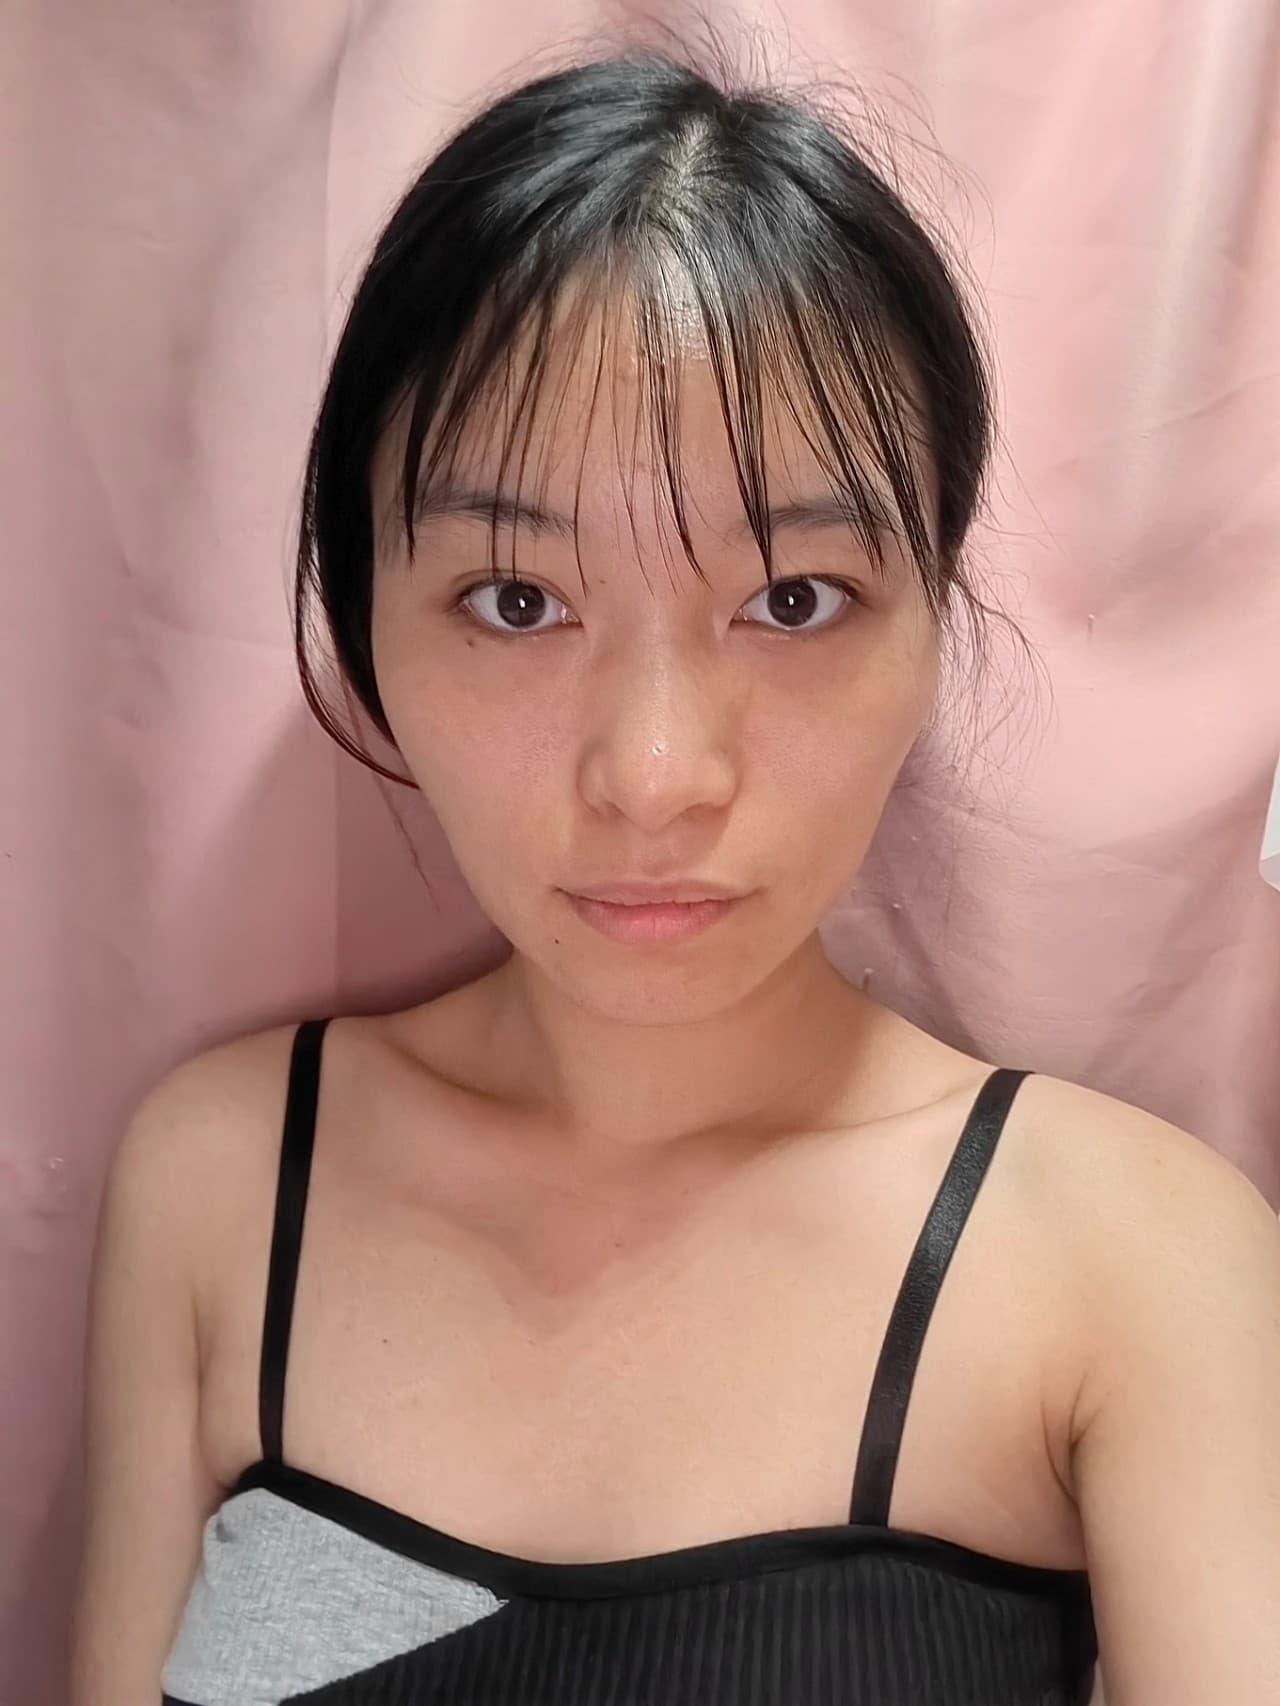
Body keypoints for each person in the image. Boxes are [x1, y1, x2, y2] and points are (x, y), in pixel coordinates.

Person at [71, 47, 1280, 1706]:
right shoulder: (221, 1183)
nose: (652, 775)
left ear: (932, 627)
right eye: (516, 600)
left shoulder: (1140, 1266)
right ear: (368, 634)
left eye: (792, 600)